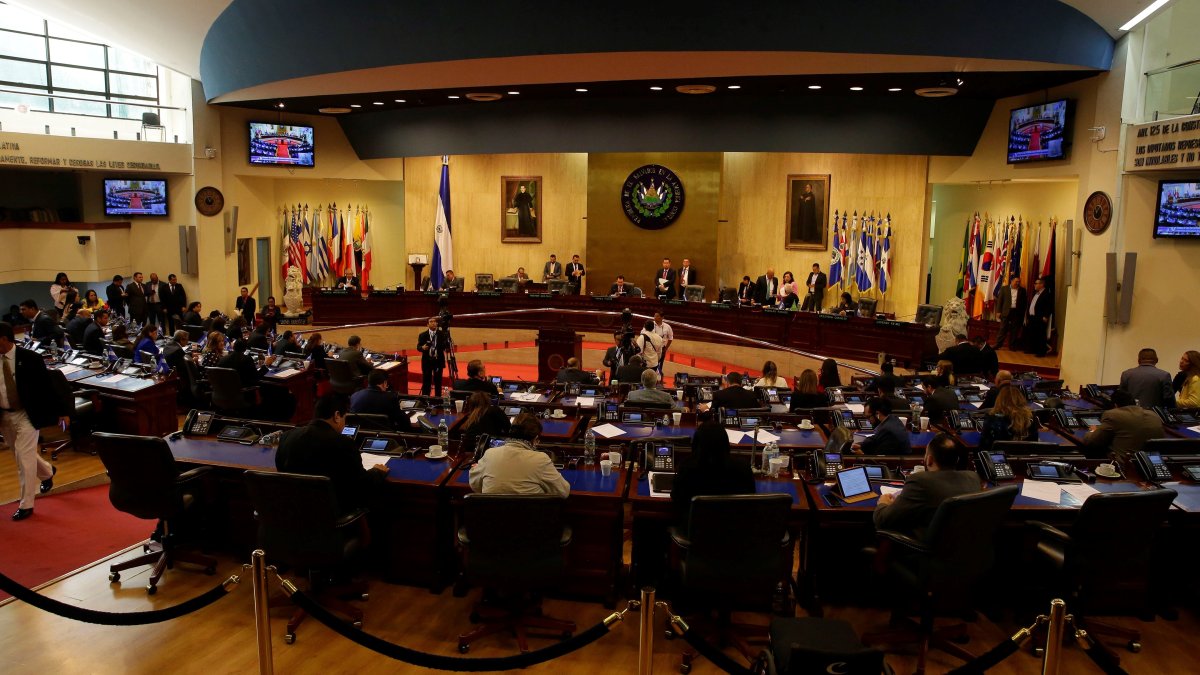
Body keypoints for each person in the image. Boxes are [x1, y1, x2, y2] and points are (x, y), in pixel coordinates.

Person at [0, 321, 71, 520]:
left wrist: (62, 412)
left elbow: (48, 387)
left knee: (24, 458)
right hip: (5, 416)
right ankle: (47, 471)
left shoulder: (30, 358)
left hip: (28, 414)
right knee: (19, 454)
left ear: (4, 339)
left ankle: (26, 504)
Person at [276, 394, 388, 515]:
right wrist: (377, 472)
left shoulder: (287, 437)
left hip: (295, 514)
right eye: (344, 418)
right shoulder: (343, 444)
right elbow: (361, 486)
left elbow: (281, 472)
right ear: (337, 416)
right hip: (332, 516)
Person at [872, 432, 980, 539]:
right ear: (957, 460)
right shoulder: (973, 478)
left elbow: (883, 520)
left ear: (929, 460)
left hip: (926, 550)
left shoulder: (920, 481)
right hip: (963, 548)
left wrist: (883, 503)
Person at [671, 420, 755, 527]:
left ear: (696, 444)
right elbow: (751, 498)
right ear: (726, 443)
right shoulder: (743, 467)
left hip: (697, 533)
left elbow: (676, 498)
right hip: (735, 532)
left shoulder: (687, 468)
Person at [469, 414, 569, 497]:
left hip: (492, 519)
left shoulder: (490, 454)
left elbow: (475, 485)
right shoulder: (540, 460)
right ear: (535, 439)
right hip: (530, 519)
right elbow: (563, 492)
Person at [1082, 389, 1166, 459]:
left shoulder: (1113, 415)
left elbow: (1091, 441)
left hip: (1124, 465)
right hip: (1152, 463)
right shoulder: (1153, 415)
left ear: (1115, 405)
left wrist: (1093, 430)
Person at [978, 384, 1039, 450]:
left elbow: (983, 446)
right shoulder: (1031, 417)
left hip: (998, 459)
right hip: (1026, 458)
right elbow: (1034, 443)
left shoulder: (992, 418)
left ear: (999, 400)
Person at [994, 277, 1027, 349]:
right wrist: (998, 311)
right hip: (1006, 311)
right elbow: (1000, 300)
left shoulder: (1022, 290)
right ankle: (998, 344)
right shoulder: (1004, 289)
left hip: (1017, 313)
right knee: (1003, 329)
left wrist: (1023, 313)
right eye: (1016, 281)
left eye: (1019, 282)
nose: (1018, 283)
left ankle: (1012, 346)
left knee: (1015, 330)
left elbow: (1024, 303)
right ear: (1011, 281)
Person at [1024, 276, 1053, 356]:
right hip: (1033, 317)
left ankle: (1041, 352)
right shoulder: (1036, 293)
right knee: (1033, 334)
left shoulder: (1046, 294)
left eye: (1036, 283)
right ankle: (1032, 349)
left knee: (1040, 335)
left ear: (1042, 284)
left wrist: (1045, 316)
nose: (1034, 285)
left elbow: (1049, 306)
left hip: (1040, 317)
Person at [417, 319, 445, 396]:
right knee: (426, 381)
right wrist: (422, 347)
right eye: (431, 322)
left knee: (438, 381)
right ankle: (425, 400)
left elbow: (445, 346)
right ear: (427, 324)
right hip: (427, 362)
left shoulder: (442, 334)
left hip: (438, 361)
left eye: (435, 322)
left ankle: (438, 399)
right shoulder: (422, 335)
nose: (433, 323)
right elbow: (418, 347)